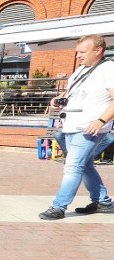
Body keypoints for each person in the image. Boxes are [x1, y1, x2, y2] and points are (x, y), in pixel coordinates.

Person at [39, 34, 114, 219]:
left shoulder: (108, 68)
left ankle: (59, 206)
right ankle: (103, 201)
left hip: (89, 128)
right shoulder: (80, 70)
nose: (78, 56)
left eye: (82, 52)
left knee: (72, 166)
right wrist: (56, 100)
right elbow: (68, 93)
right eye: (77, 52)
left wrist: (101, 121)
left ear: (98, 51)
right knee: (85, 165)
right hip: (70, 126)